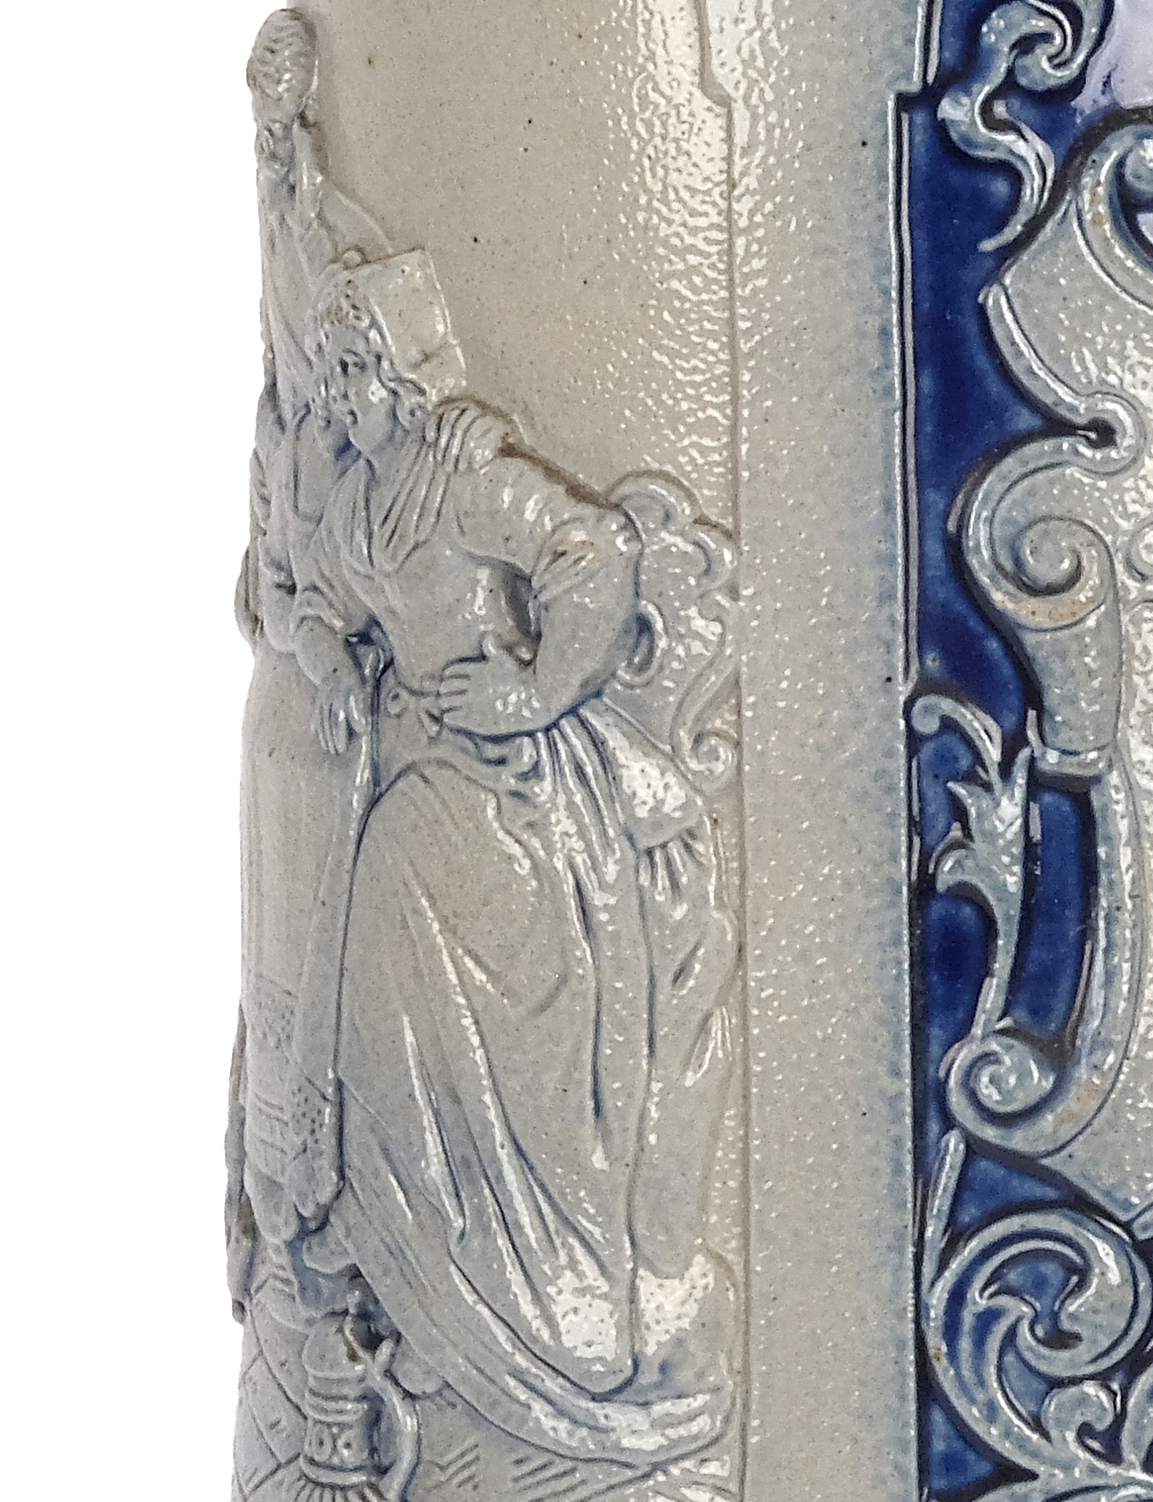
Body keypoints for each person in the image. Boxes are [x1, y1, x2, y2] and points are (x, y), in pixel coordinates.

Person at [258, 248, 739, 1496]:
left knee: (475, 1003)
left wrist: (534, 688)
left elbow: (594, 553)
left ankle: (538, 1297)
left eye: (356, 369)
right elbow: (313, 600)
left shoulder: (466, 476)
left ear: (401, 373)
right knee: (374, 996)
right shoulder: (364, 494)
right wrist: (325, 651)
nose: (342, 390)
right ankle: (418, 1289)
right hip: (416, 774)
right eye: (334, 370)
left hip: (510, 791)